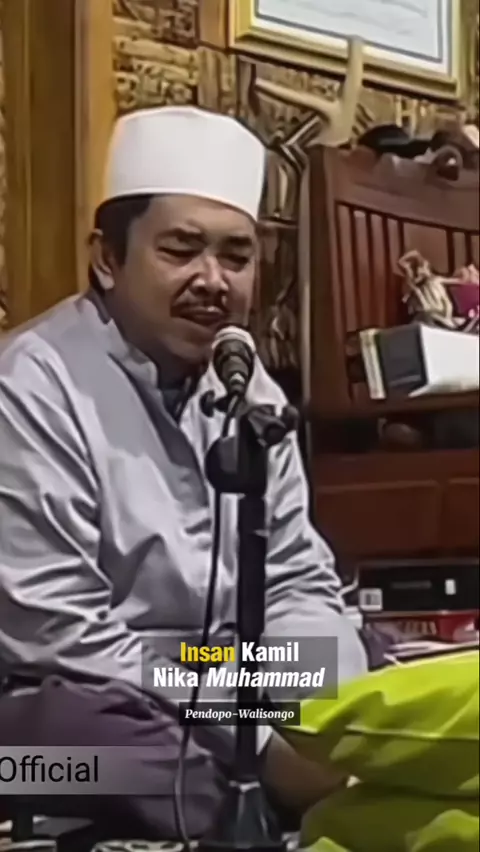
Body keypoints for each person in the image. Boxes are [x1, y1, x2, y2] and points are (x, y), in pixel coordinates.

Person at [0, 107, 367, 841]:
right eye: (181, 250)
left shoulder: (245, 385)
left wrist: (322, 693)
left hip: (222, 670)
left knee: (379, 680)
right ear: (108, 258)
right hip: (67, 696)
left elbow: (298, 579)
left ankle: (290, 787)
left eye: (236, 257)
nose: (212, 280)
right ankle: (278, 795)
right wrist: (250, 728)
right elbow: (57, 633)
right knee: (97, 758)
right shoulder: (31, 387)